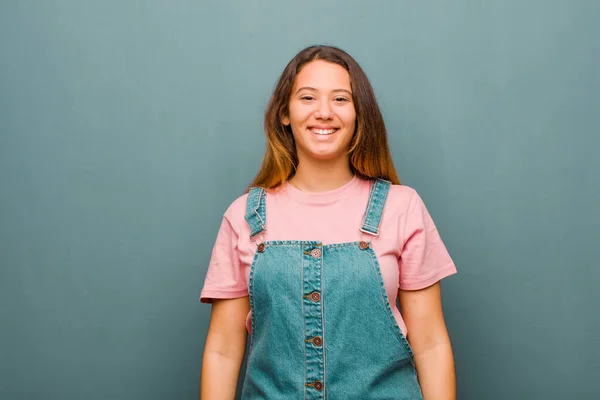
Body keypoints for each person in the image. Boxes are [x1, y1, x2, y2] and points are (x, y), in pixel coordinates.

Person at [200, 45, 457, 399]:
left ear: (358, 114)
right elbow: (223, 350)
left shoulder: (403, 207)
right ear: (285, 113)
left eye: (340, 99)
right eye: (307, 97)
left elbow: (430, 343)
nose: (323, 112)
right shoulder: (245, 216)